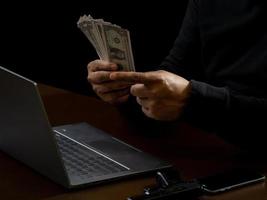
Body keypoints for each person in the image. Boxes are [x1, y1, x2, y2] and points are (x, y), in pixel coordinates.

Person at [87, 0, 267, 151]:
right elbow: (171, 77)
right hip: (214, 153)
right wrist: (126, 88)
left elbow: (189, 100)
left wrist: (192, 99)